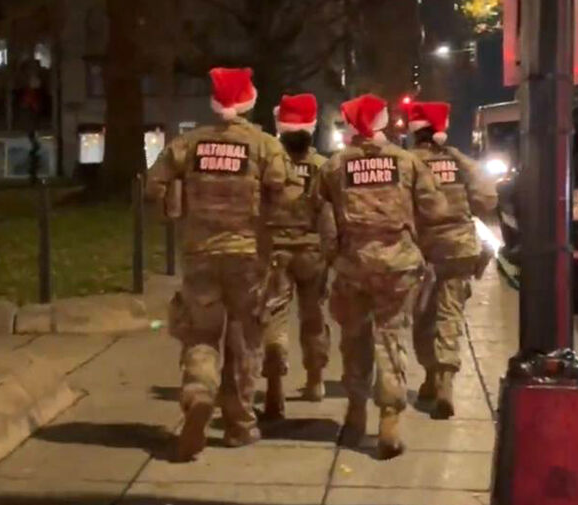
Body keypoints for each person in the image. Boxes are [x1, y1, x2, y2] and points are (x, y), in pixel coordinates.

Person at [146, 67, 292, 461]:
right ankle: (239, 425)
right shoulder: (264, 145)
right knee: (245, 340)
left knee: (201, 333)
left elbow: (153, 184)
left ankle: (198, 392)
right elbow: (285, 194)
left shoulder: (188, 143)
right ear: (249, 102)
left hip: (200, 254)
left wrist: (172, 212)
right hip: (249, 257)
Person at [312, 94, 448, 459]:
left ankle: (356, 414)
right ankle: (389, 419)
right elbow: (435, 209)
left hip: (353, 267)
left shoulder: (334, 166)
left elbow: (322, 220)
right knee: (391, 337)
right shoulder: (407, 162)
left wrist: (334, 258)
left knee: (354, 338)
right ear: (383, 122)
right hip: (398, 265)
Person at [406, 101, 498, 419]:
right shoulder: (459, 161)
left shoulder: (408, 162)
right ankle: (445, 379)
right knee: (450, 313)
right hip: (460, 248)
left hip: (422, 249)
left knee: (422, 316)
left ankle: (431, 375)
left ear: (414, 132)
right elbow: (487, 199)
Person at [262, 94, 331, 419]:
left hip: (275, 249)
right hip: (312, 250)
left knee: (274, 316)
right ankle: (315, 380)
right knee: (313, 316)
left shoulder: (270, 163)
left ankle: (274, 386)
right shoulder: (322, 166)